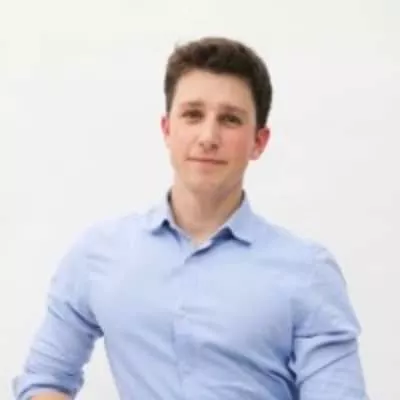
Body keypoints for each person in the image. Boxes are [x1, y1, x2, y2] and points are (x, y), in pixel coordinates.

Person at [13, 36, 368, 400]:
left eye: (230, 119)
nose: (208, 137)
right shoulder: (98, 254)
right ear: (167, 129)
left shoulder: (307, 271)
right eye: (193, 115)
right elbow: (44, 378)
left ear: (259, 142)